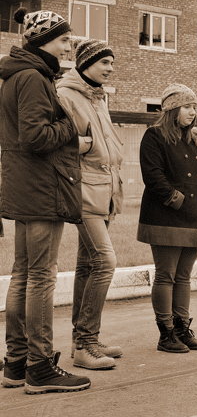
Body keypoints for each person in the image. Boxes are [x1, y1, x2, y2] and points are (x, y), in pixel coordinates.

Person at [0, 9, 89, 394]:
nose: (69, 44)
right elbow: (35, 136)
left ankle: (16, 363)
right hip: (41, 187)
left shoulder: (15, 75)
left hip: (25, 186)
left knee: (23, 273)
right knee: (39, 277)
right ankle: (39, 365)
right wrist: (73, 127)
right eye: (63, 39)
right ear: (42, 41)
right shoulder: (34, 78)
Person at [56, 40, 125, 370]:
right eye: (104, 62)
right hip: (84, 189)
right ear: (85, 64)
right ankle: (85, 342)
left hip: (105, 189)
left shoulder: (98, 97)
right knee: (105, 261)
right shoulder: (66, 95)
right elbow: (60, 141)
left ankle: (84, 342)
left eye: (112, 62)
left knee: (87, 264)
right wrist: (82, 145)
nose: (110, 67)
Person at [138, 84, 197, 354]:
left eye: (195, 106)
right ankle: (166, 332)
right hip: (166, 216)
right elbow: (153, 175)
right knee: (166, 275)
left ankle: (182, 328)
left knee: (184, 276)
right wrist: (175, 199)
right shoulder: (154, 136)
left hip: (194, 217)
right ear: (172, 109)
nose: (194, 112)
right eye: (188, 106)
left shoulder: (195, 140)